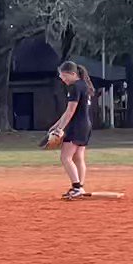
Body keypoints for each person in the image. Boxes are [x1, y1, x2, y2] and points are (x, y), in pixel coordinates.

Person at [49, 60, 95, 200]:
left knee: (65, 157)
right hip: (85, 125)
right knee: (78, 157)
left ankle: (76, 188)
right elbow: (69, 111)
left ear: (73, 74)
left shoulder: (75, 87)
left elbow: (70, 111)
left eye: (64, 76)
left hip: (76, 126)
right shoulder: (84, 85)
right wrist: (56, 125)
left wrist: (60, 129)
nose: (62, 79)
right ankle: (80, 186)